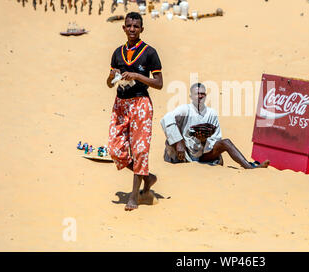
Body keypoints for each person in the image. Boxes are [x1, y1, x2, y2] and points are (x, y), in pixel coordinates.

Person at [106, 12, 163, 211]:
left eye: (135, 26)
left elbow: (159, 83)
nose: (132, 29)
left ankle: (133, 196)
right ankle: (147, 177)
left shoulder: (150, 53)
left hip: (141, 104)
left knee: (139, 150)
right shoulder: (117, 53)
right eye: (128, 26)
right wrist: (112, 76)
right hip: (120, 104)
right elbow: (108, 83)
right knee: (115, 150)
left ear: (141, 29)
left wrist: (138, 76)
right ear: (123, 28)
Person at [160, 83, 269, 169]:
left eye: (202, 93)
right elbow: (166, 119)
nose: (200, 96)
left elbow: (216, 138)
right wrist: (178, 142)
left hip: (203, 153)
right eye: (197, 94)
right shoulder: (185, 109)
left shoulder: (211, 113)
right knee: (174, 133)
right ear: (191, 96)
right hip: (184, 153)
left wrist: (203, 141)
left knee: (226, 143)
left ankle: (249, 167)